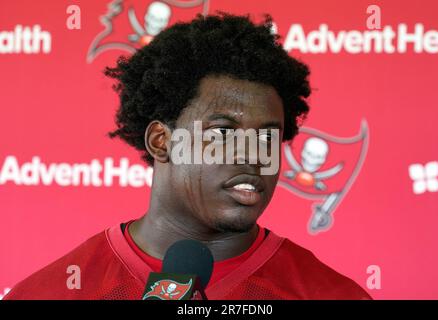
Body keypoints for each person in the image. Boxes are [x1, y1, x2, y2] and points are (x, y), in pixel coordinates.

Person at [4, 12, 371, 300]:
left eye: (267, 136)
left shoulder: (330, 295)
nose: (253, 155)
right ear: (162, 141)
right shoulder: (53, 292)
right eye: (223, 132)